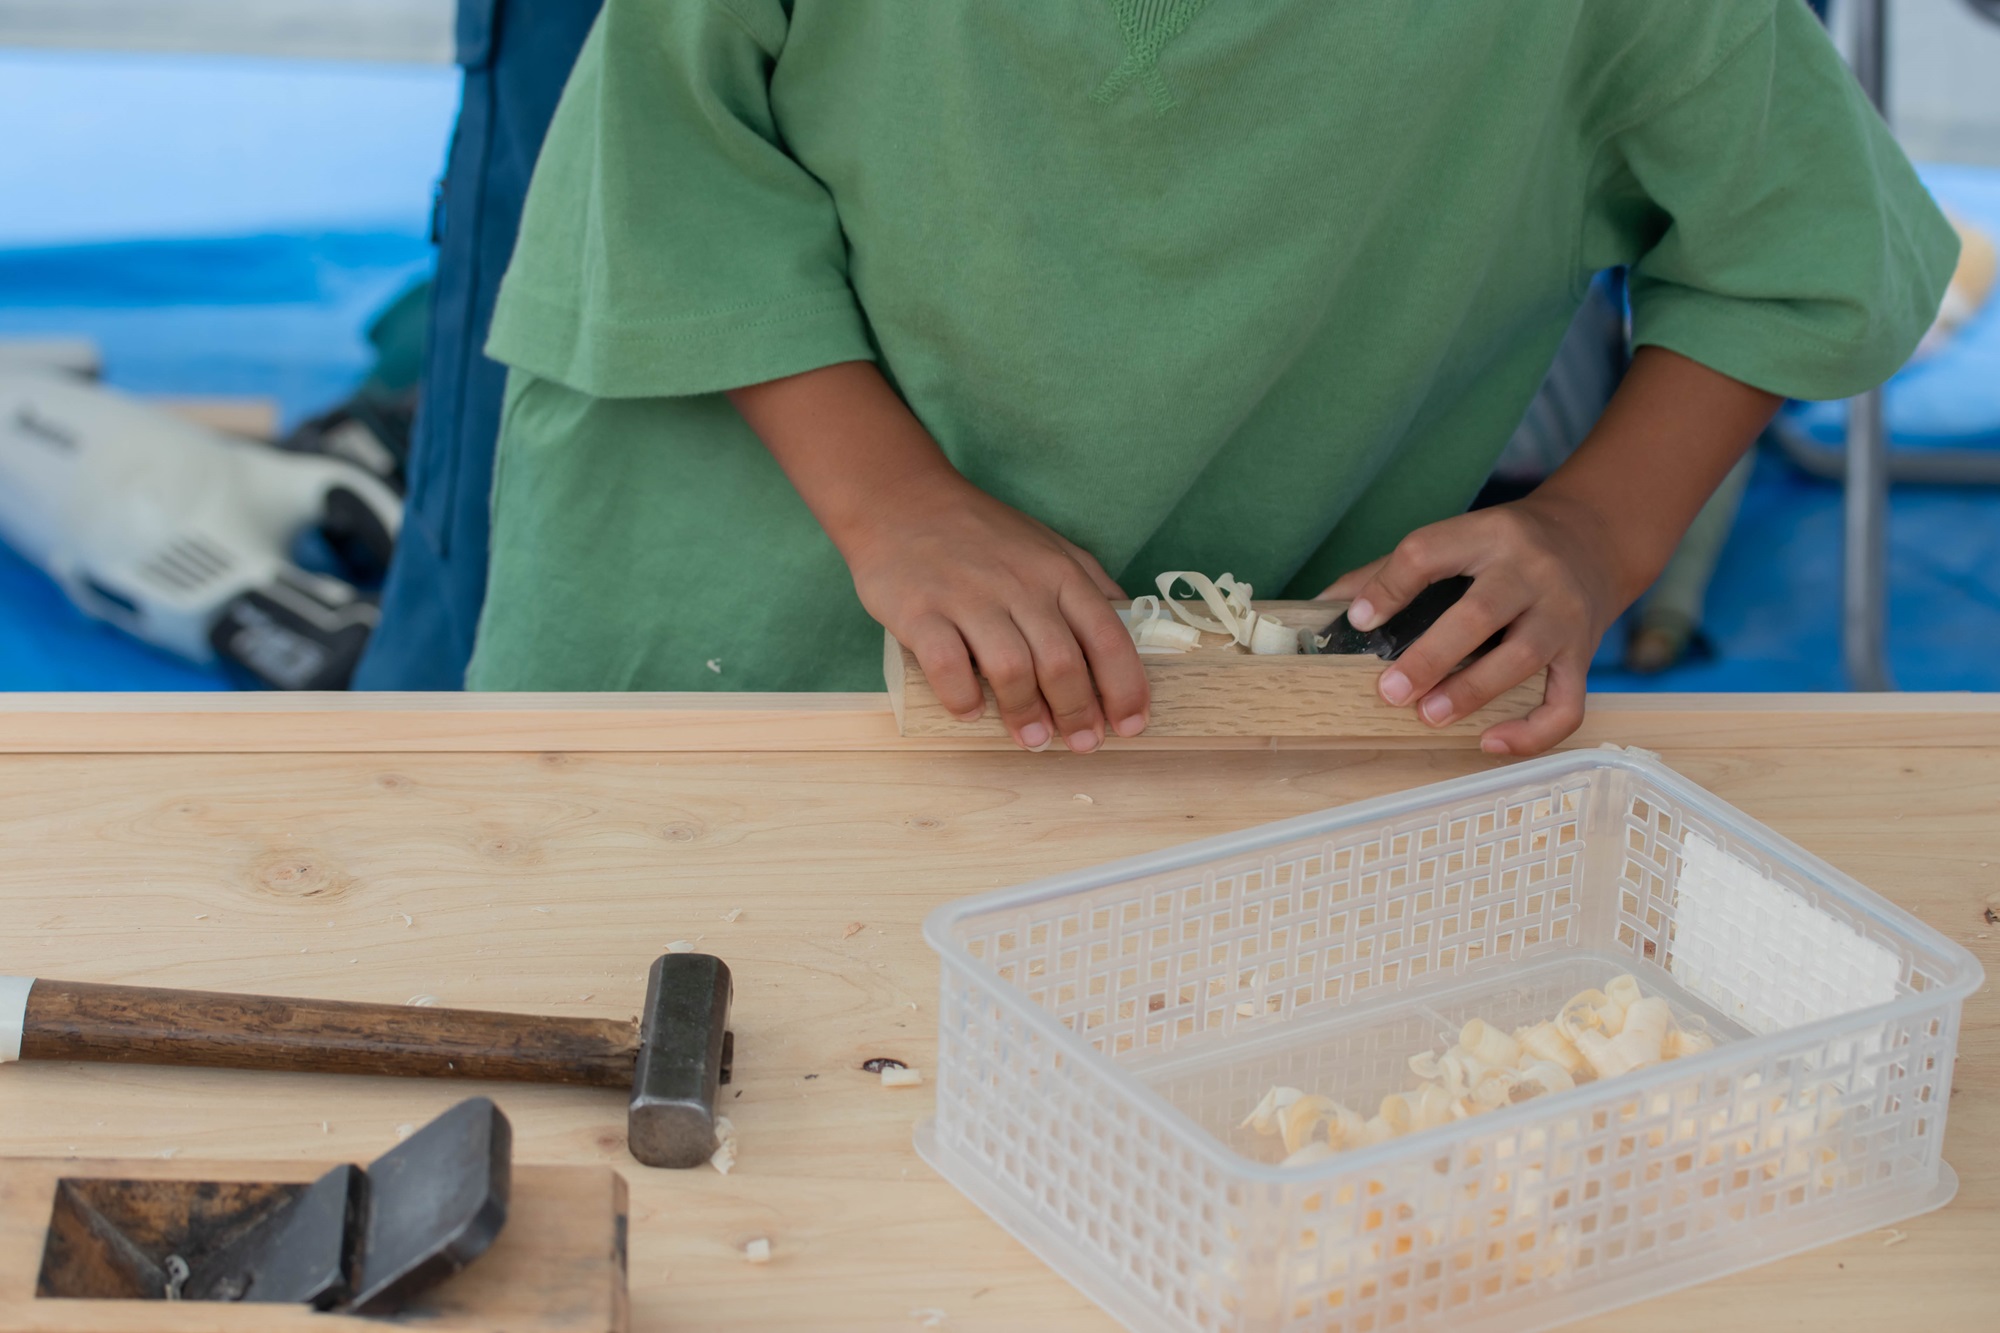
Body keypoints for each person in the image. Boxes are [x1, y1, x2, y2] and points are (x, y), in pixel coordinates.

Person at [467, 0, 1958, 755]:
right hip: (696, 655)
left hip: (1181, 727)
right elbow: (667, 172)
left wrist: (1597, 530)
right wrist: (894, 500)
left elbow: (1802, 249)